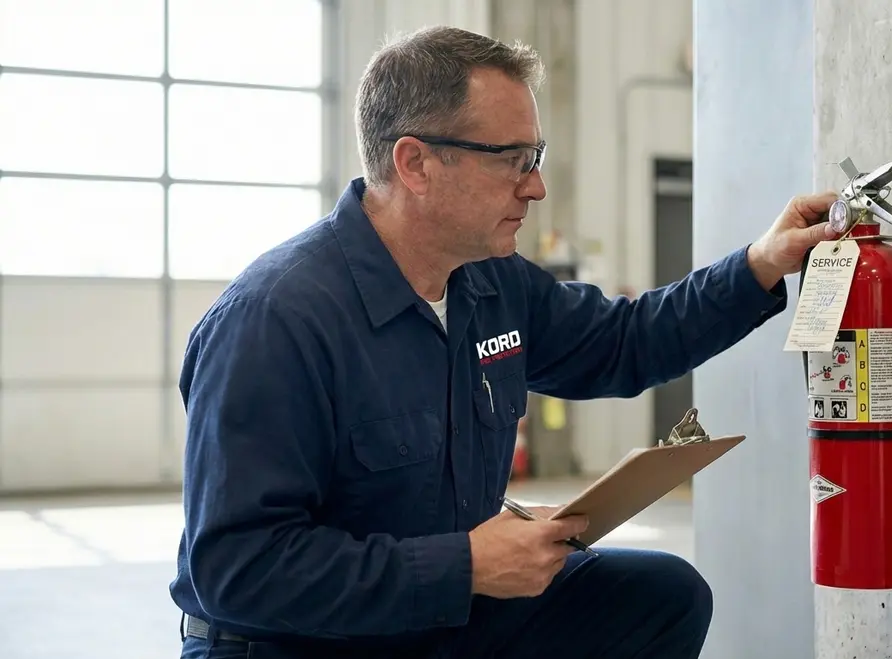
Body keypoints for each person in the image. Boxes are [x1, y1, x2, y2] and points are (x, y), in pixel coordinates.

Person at [173, 25, 837, 659]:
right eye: (514, 160)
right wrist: (463, 565)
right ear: (416, 164)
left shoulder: (491, 285)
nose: (537, 186)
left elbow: (625, 341)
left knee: (661, 596)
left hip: (434, 616)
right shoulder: (276, 321)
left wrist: (759, 263)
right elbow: (238, 566)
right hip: (298, 642)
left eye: (536, 158)